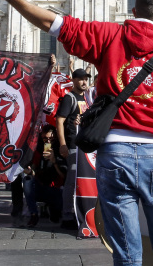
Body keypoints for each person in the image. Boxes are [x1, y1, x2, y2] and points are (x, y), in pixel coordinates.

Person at [0, 0, 153, 266]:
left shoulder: (109, 35)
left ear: (133, 13)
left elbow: (52, 24)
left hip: (116, 152)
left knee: (127, 251)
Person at [56, 67, 90, 230]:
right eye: (81, 79)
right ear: (74, 80)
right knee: (71, 180)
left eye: (86, 79)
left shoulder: (87, 98)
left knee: (82, 180)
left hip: (84, 147)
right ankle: (67, 214)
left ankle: (79, 211)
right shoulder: (70, 98)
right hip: (73, 145)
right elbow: (59, 121)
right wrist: (62, 144)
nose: (84, 82)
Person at [24, 124, 66, 227]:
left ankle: (53, 211)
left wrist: (54, 161)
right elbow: (34, 169)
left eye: (51, 138)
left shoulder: (60, 150)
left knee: (55, 216)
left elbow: (63, 175)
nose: (48, 141)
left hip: (56, 189)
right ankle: (34, 214)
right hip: (42, 185)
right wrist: (29, 171)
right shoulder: (39, 149)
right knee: (27, 180)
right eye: (45, 138)